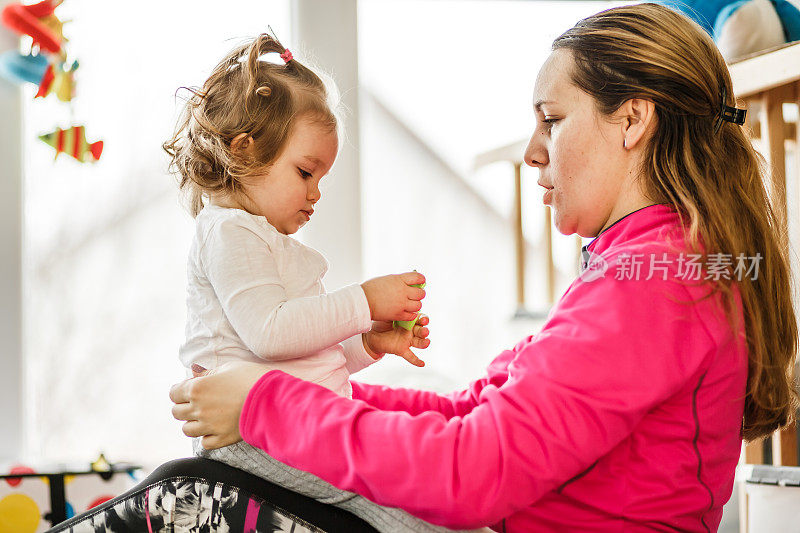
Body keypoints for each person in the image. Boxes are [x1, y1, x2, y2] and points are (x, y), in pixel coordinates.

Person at [170, 4, 799, 532]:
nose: (531, 151)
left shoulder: (661, 280)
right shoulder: (646, 268)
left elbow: (473, 469)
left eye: (551, 121)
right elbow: (477, 411)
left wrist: (265, 404)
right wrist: (318, 392)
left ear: (632, 120)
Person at [162, 34, 483, 533]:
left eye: (322, 179)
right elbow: (270, 333)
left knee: (403, 488)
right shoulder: (229, 231)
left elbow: (303, 356)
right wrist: (364, 299)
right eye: (306, 172)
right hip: (248, 435)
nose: (315, 193)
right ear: (246, 151)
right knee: (397, 501)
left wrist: (367, 342)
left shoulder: (266, 240)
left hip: (285, 424)